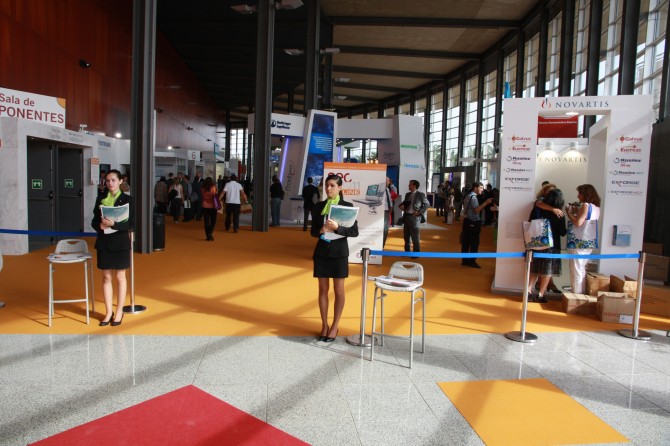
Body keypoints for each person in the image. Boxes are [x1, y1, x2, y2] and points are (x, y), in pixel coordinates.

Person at [311, 174, 359, 342]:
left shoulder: (347, 207)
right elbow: (312, 231)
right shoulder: (319, 206)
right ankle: (324, 325)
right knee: (322, 290)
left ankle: (334, 326)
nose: (328, 188)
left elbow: (354, 232)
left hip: (339, 253)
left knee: (339, 290)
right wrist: (320, 231)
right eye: (327, 185)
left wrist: (338, 228)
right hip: (321, 252)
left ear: (340, 188)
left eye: (332, 185)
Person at [91, 169, 134, 327]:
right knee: (106, 277)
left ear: (121, 181)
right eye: (108, 180)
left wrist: (114, 224)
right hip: (104, 241)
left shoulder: (128, 200)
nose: (110, 183)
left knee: (120, 277)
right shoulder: (101, 198)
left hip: (121, 243)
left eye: (113, 180)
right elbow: (94, 221)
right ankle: (108, 311)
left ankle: (119, 311)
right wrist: (100, 226)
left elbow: (132, 224)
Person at [528, 188, 567, 302]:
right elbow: (562, 233)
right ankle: (540, 294)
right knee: (547, 272)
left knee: (534, 269)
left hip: (537, 243)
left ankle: (528, 291)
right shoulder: (560, 213)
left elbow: (530, 222)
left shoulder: (537, 209)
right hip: (552, 246)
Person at [566, 184, 601, 294]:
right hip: (589, 241)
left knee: (576, 269)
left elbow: (578, 223)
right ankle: (581, 293)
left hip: (579, 242)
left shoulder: (586, 205)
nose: (578, 196)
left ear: (585, 194)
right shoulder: (596, 207)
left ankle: (576, 294)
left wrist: (569, 213)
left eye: (579, 193)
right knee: (581, 268)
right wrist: (576, 212)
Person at [460, 181, 493, 268]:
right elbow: (477, 209)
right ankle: (472, 261)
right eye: (481, 188)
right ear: (475, 188)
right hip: (473, 222)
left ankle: (464, 260)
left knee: (466, 242)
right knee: (474, 242)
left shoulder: (468, 196)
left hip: (467, 221)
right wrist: (486, 202)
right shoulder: (473, 197)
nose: (482, 190)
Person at [399, 179, 430, 254]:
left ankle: (416, 252)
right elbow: (405, 204)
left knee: (415, 236)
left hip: (414, 218)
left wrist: (419, 212)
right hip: (406, 216)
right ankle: (407, 252)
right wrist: (402, 206)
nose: (408, 186)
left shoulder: (421, 194)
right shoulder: (407, 194)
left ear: (414, 186)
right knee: (406, 236)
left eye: (410, 184)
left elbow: (427, 204)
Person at [201, 177, 218, 241]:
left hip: (204, 205)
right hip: (212, 206)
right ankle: (210, 232)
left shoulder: (202, 188)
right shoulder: (213, 187)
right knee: (213, 220)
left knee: (206, 221)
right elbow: (214, 195)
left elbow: (202, 195)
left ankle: (207, 236)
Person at [383, 176, 398, 247]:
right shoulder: (381, 190)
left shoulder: (387, 189)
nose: (388, 182)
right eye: (387, 181)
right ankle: (381, 244)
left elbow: (390, 199)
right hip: (383, 211)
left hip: (387, 211)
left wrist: (391, 206)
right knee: (384, 229)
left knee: (386, 229)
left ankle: (383, 244)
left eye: (388, 181)